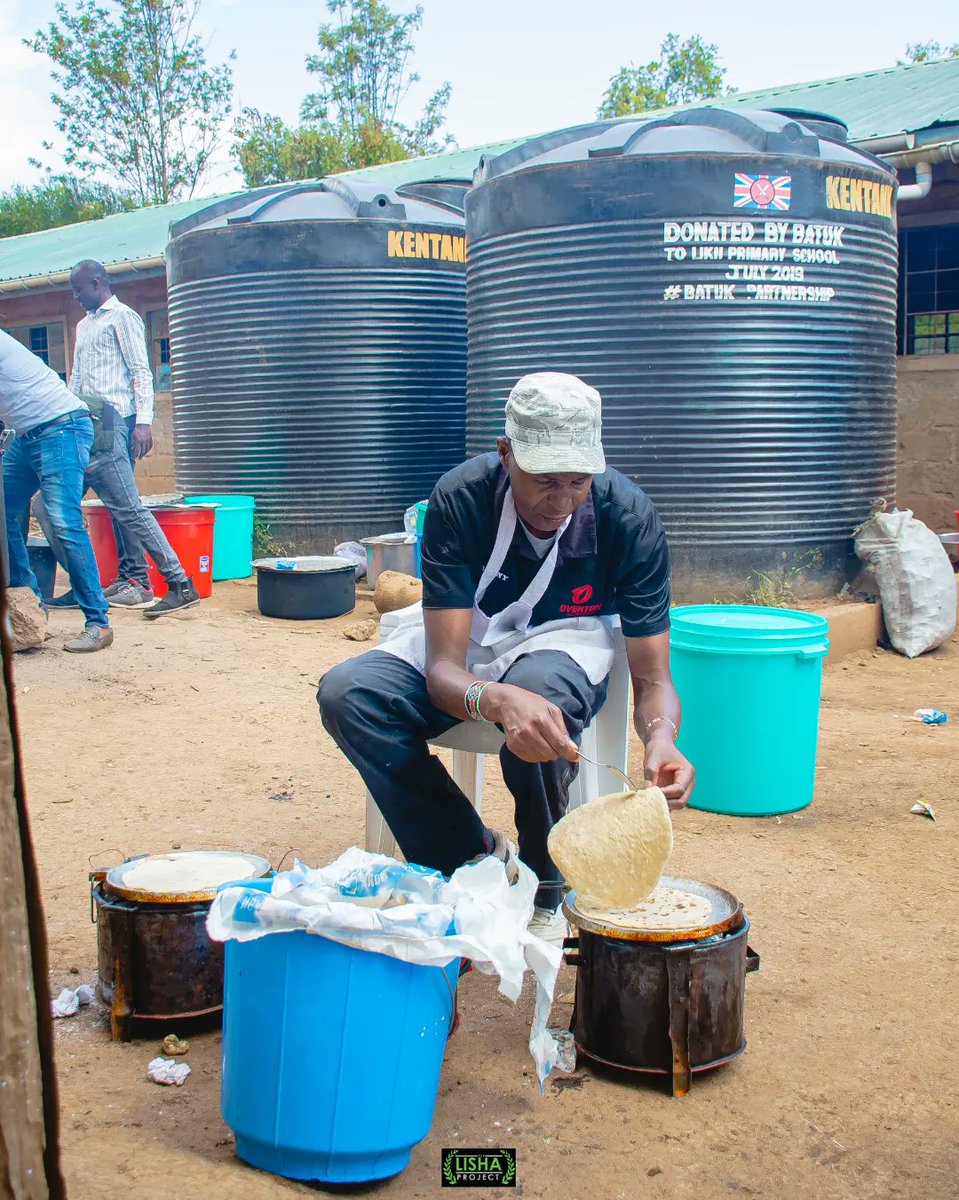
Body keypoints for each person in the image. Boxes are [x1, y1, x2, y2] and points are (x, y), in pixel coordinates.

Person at [318, 372, 694, 945]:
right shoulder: (461, 499)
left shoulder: (629, 519)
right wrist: (493, 697)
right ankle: (469, 861)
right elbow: (445, 669)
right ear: (505, 453)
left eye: (577, 483)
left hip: (567, 641)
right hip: (472, 638)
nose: (561, 501)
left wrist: (662, 737)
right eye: (545, 481)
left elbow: (652, 676)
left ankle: (546, 883)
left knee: (540, 701)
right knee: (350, 694)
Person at [46, 260, 200, 619]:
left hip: (116, 422)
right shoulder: (84, 325)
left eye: (78, 288)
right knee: (54, 504)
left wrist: (143, 423)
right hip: (85, 423)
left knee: (126, 507)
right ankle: (91, 582)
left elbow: (141, 372)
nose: (74, 294)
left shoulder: (123, 317)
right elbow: (79, 379)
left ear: (97, 283)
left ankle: (164, 581)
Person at [0, 329, 113, 653]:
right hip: (26, 434)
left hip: (62, 426)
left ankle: (98, 622)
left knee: (63, 521)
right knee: (2, 511)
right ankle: (30, 611)